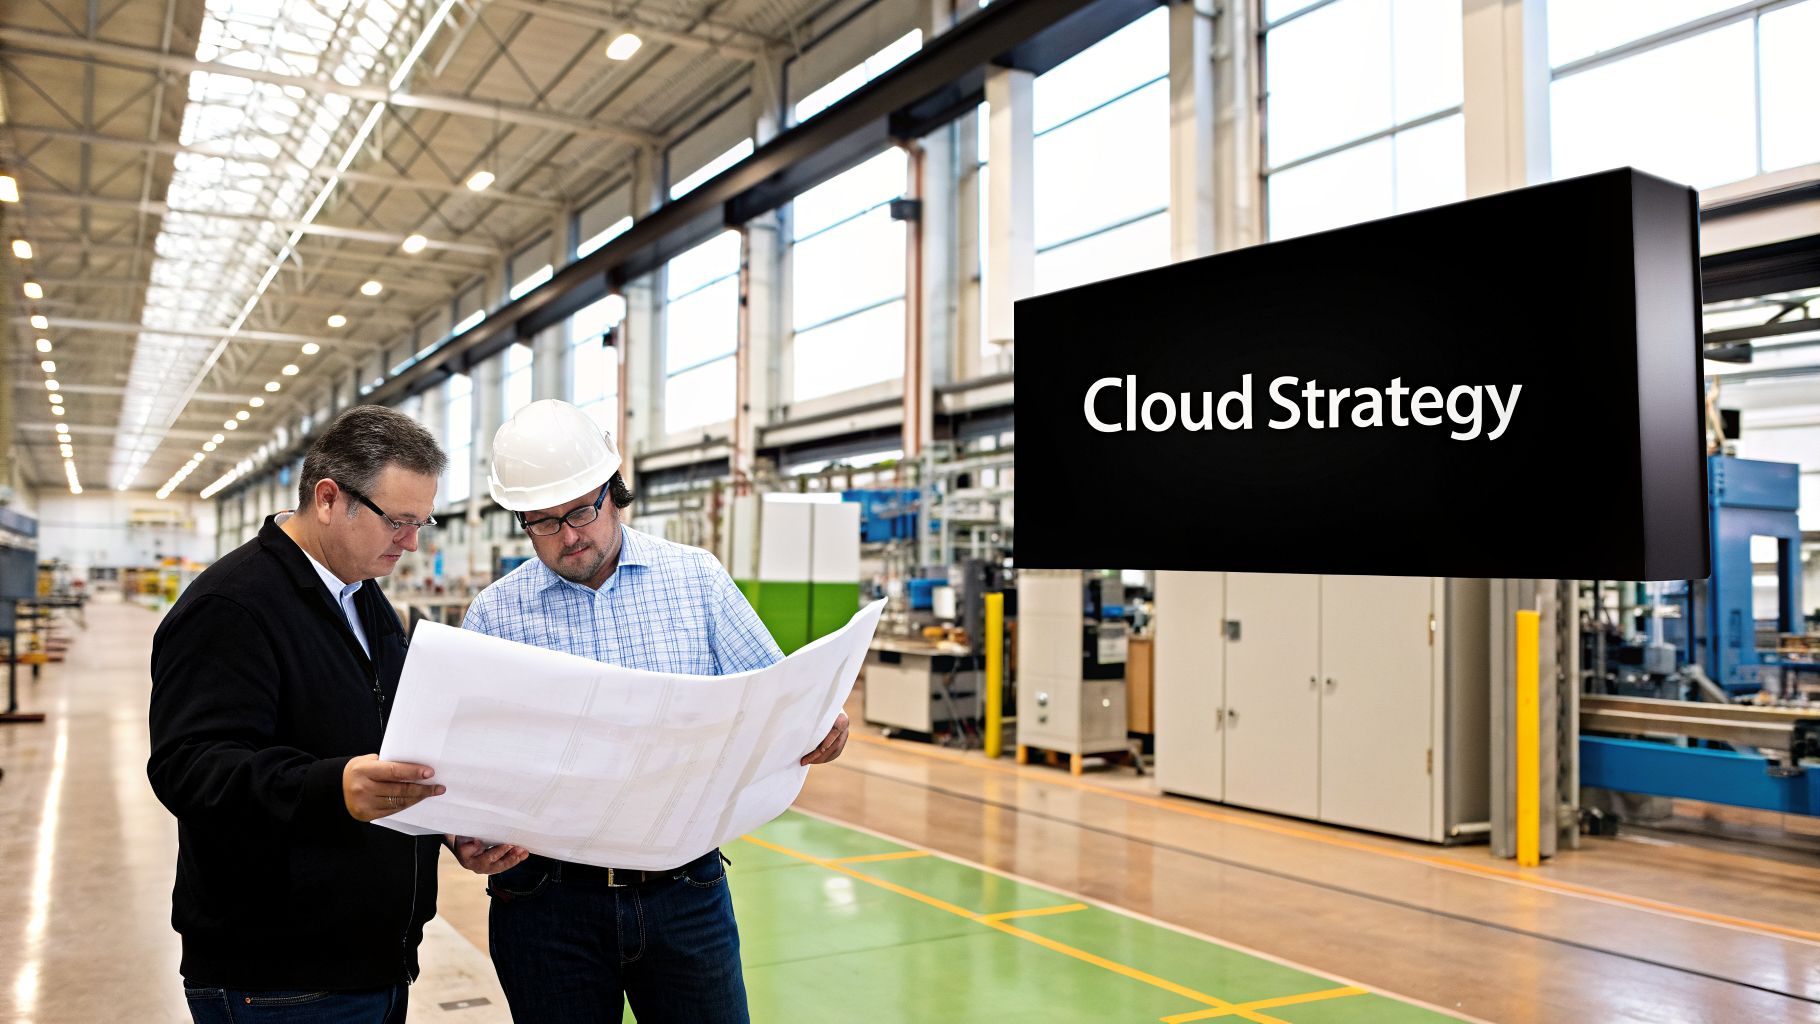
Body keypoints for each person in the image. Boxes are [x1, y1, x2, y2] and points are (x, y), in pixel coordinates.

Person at [459, 399, 850, 1023]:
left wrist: (819, 722)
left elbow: (778, 696)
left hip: (684, 894)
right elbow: (464, 760)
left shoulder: (697, 581)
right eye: (543, 522)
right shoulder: (494, 615)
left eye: (583, 510)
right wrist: (463, 836)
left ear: (616, 492)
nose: (569, 536)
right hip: (544, 904)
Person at [147, 405, 524, 1024]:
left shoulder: (362, 598)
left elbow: (398, 741)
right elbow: (189, 768)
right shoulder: (231, 606)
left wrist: (451, 826)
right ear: (328, 499)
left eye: (421, 523)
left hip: (373, 963)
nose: (412, 543)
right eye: (399, 522)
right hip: (276, 978)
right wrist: (331, 789)